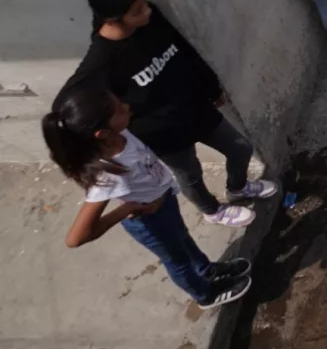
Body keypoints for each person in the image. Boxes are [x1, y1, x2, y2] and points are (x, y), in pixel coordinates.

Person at [56, 0, 276, 227]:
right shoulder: (101, 59)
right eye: (138, 11)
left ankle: (238, 187)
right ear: (114, 19)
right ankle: (212, 210)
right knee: (190, 174)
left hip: (194, 106)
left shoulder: (152, 20)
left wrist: (211, 86)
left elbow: (183, 48)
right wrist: (112, 134)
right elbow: (64, 106)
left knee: (240, 147)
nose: (147, 11)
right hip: (162, 131)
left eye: (144, 4)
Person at [44, 88, 254, 309]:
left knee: (183, 238)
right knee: (178, 261)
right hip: (150, 221)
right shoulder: (107, 174)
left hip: (164, 201)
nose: (127, 107)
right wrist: (126, 209)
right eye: (119, 110)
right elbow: (75, 238)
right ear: (102, 132)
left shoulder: (121, 134)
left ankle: (205, 270)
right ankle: (206, 295)